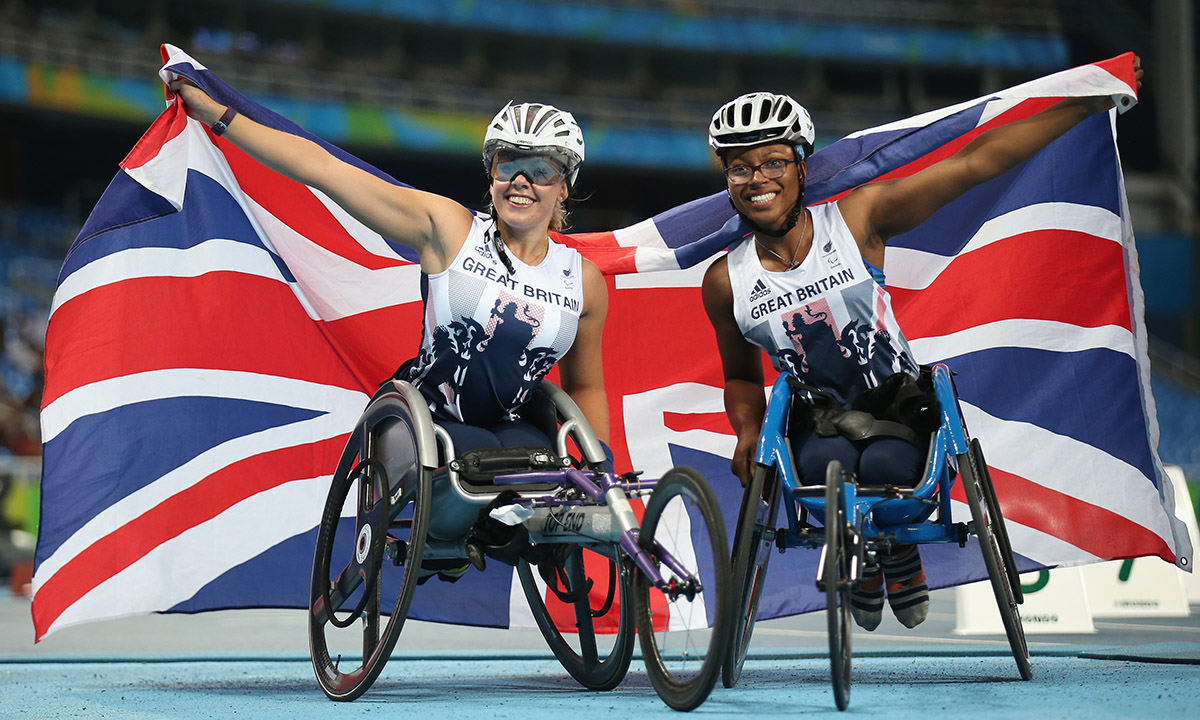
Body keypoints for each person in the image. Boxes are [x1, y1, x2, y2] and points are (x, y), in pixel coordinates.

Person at [701, 62, 1141, 630]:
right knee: (828, 477)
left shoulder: (858, 219)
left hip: (899, 409)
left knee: (889, 472)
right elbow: (740, 376)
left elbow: (974, 164)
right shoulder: (723, 280)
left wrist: (1086, 101)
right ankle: (865, 554)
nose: (757, 177)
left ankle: (895, 550)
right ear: (727, 178)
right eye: (740, 167)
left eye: (773, 162)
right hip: (819, 423)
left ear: (801, 166)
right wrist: (745, 431)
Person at [168, 81, 610, 574]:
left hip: (512, 425)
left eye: (540, 170)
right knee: (487, 469)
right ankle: (475, 533)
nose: (521, 181)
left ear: (563, 185)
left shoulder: (582, 281)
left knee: (554, 476)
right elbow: (325, 170)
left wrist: (602, 467)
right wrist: (219, 116)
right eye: (509, 165)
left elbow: (586, 384)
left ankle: (512, 534)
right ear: (491, 174)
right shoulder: (449, 228)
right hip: (433, 419)